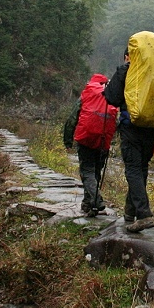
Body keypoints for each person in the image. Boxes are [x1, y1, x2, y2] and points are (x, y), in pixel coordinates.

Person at [103, 47, 154, 232]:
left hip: (131, 127)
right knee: (141, 168)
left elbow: (112, 98)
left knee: (133, 169)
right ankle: (129, 212)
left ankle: (143, 214)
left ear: (128, 56)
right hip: (152, 128)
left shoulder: (126, 70)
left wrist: (123, 70)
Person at [63, 73, 117, 216]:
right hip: (103, 140)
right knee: (95, 172)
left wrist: (68, 140)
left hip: (86, 137)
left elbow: (73, 117)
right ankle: (88, 204)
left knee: (87, 171)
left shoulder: (87, 93)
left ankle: (96, 201)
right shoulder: (112, 95)